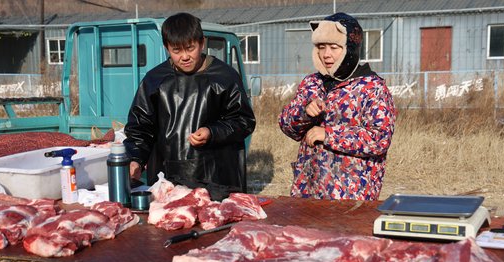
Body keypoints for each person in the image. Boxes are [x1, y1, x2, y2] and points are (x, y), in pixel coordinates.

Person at [123, 12, 256, 201]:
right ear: (166, 48)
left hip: (218, 179)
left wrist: (212, 132)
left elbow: (244, 121)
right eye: (176, 50)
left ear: (202, 43)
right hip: (167, 178)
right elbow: (140, 127)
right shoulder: (154, 80)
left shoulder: (225, 76)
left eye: (190, 48)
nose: (184, 56)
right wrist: (134, 158)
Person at [279, 12, 396, 201]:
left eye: (334, 47)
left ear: (350, 48)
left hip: (350, 198)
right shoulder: (312, 83)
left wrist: (329, 135)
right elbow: (286, 126)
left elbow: (379, 139)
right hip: (308, 192)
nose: (326, 54)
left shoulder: (372, 88)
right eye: (321, 47)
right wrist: (304, 113)